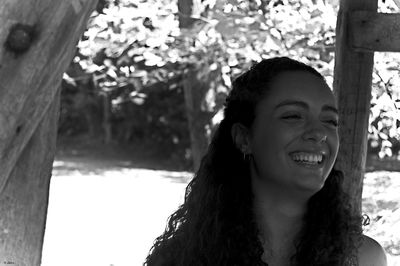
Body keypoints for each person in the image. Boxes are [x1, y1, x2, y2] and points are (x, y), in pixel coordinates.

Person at [144, 57, 387, 266]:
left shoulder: (363, 258)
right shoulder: (182, 259)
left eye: (330, 121)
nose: (319, 132)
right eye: (293, 116)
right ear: (244, 138)